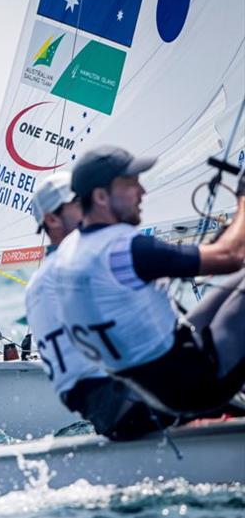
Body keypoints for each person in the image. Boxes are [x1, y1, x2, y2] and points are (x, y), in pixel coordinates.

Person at [49, 145, 245, 416]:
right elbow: (231, 255)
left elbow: (216, 259)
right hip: (199, 384)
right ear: (101, 196)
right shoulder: (125, 250)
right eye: (131, 183)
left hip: (154, 388)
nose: (142, 192)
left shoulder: (70, 252)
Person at [25, 172, 180, 439]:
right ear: (52, 218)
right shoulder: (81, 267)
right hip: (128, 403)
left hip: (104, 407)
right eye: (79, 202)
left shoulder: (41, 281)